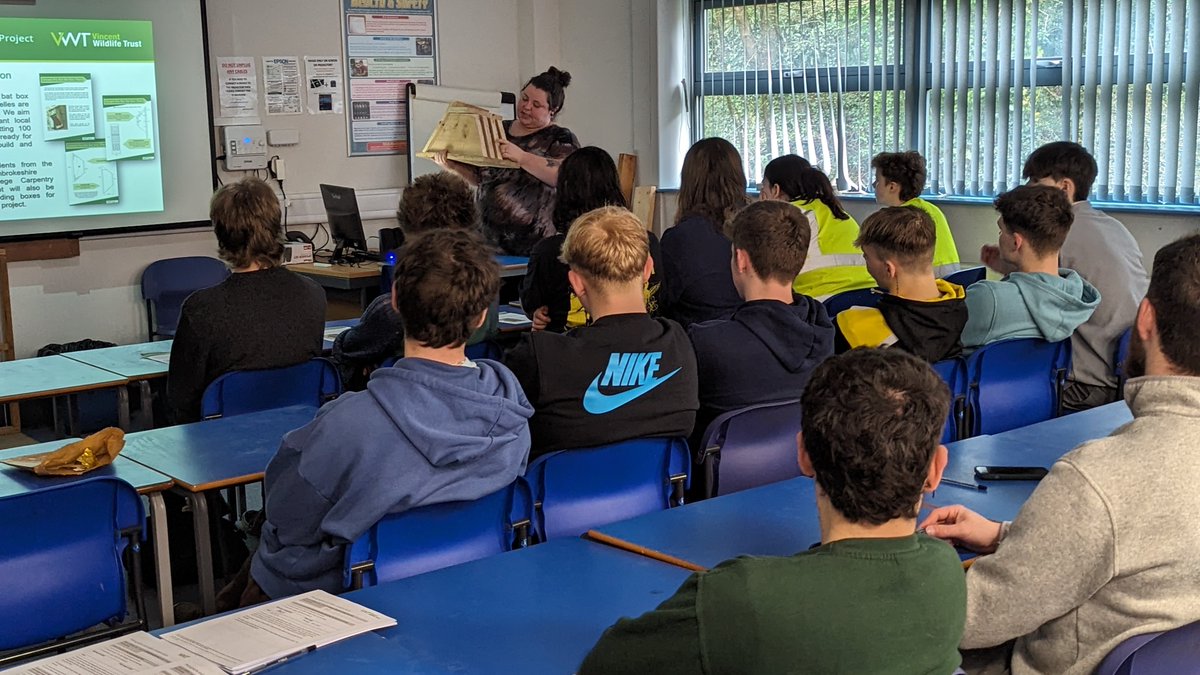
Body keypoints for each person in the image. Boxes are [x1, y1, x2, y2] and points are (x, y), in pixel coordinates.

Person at [579, 348, 966, 674]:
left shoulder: (742, 597)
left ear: (803, 455)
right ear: (936, 469)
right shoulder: (945, 570)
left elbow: (604, 664)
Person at [921, 233, 1200, 675]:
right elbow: (1137, 549)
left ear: (1145, 318)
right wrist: (1006, 536)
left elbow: (967, 620)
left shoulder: (1100, 480)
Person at [244, 230, 534, 603]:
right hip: (475, 582)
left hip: (354, 600)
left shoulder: (345, 425)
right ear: (480, 317)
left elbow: (286, 513)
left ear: (394, 300)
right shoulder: (511, 409)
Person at [505, 206, 698, 460]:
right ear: (648, 269)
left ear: (576, 283)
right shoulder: (679, 343)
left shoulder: (539, 357)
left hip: (561, 496)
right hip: (662, 495)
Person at [982, 142, 1148, 411]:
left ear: (1064, 187)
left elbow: (1026, 300)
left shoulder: (1060, 234)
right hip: (1123, 376)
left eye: (1035, 180)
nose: (1027, 188)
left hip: (1083, 382)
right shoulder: (1113, 227)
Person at [167, 177, 325, 424]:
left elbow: (181, 400)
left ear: (221, 233)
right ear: (275, 227)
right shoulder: (314, 293)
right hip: (297, 431)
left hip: (219, 443)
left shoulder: (202, 309)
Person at [330, 172, 498, 389]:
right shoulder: (484, 294)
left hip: (393, 393)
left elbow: (347, 349)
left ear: (396, 297)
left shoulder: (390, 312)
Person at [687, 200, 834, 442]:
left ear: (741, 260)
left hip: (725, 479)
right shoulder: (825, 331)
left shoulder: (706, 343)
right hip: (801, 472)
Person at [434, 66, 580, 256]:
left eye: (537, 105)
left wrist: (522, 157)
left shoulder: (561, 138)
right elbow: (481, 178)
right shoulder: (498, 129)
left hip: (531, 247)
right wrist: (453, 166)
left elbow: (563, 176)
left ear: (553, 110)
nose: (526, 107)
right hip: (487, 244)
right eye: (524, 98)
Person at [520, 146, 663, 333]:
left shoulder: (550, 251)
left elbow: (532, 304)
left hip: (571, 351)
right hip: (644, 344)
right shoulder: (647, 241)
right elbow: (664, 298)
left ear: (564, 192)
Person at [962, 184, 1099, 348]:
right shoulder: (1075, 296)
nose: (999, 236)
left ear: (1015, 242)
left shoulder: (989, 298)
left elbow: (939, 338)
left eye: (1001, 230)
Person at [836, 206, 968, 362]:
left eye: (866, 257)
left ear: (888, 269)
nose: (866, 263)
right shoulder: (962, 312)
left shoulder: (854, 326)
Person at [659, 137, 749, 328]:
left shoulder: (679, 239)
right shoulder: (757, 228)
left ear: (689, 183)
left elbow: (660, 303)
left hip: (696, 344)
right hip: (754, 338)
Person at [758, 154, 875, 299]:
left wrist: (761, 210)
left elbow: (764, 274)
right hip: (868, 295)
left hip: (821, 301)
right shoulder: (838, 212)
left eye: (763, 188)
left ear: (775, 190)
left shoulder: (787, 216)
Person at [871, 150, 960, 276]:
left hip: (926, 287)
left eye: (877, 180)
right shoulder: (932, 209)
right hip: (949, 286)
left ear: (892, 187)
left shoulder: (898, 219)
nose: (874, 184)